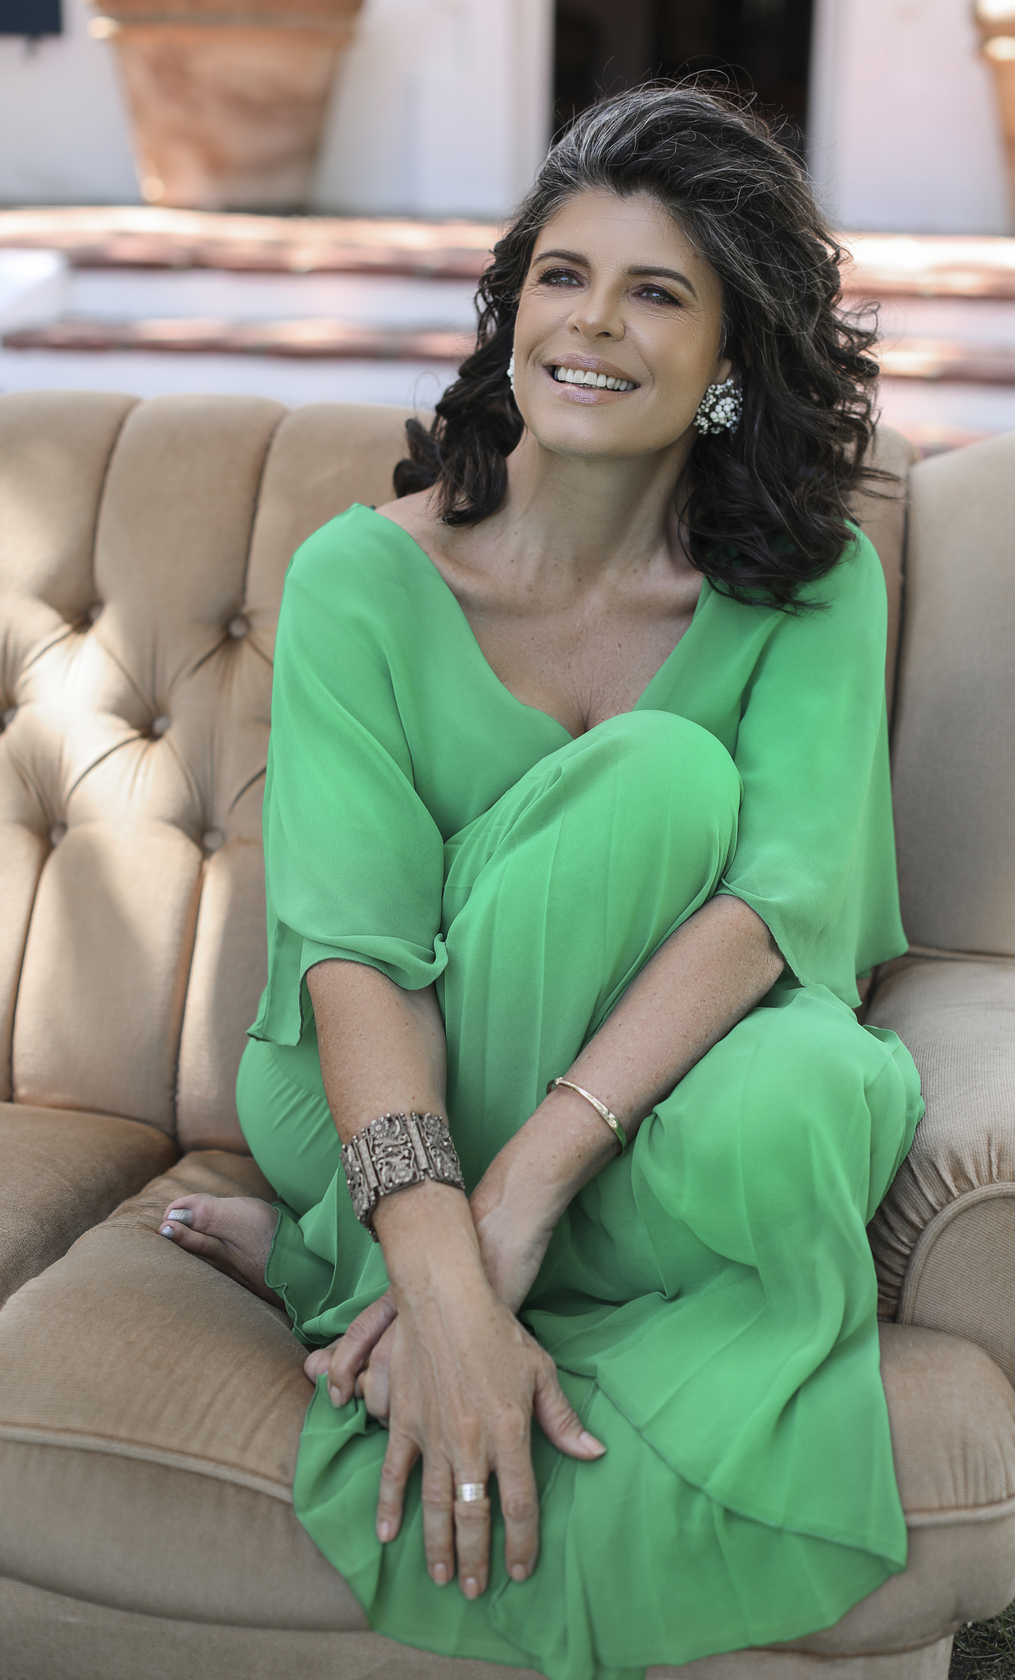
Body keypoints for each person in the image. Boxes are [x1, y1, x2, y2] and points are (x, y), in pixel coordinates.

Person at [159, 83, 923, 1680]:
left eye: (659, 293)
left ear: (733, 357)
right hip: (385, 1084)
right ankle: (392, 1247)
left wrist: (515, 1205)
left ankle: (343, 1261)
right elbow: (359, 957)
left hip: (634, 1083)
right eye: (562, 276)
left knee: (811, 1095)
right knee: (665, 779)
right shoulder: (365, 579)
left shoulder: (812, 584)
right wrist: (446, 1257)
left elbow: (778, 911)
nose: (593, 322)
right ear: (512, 314)